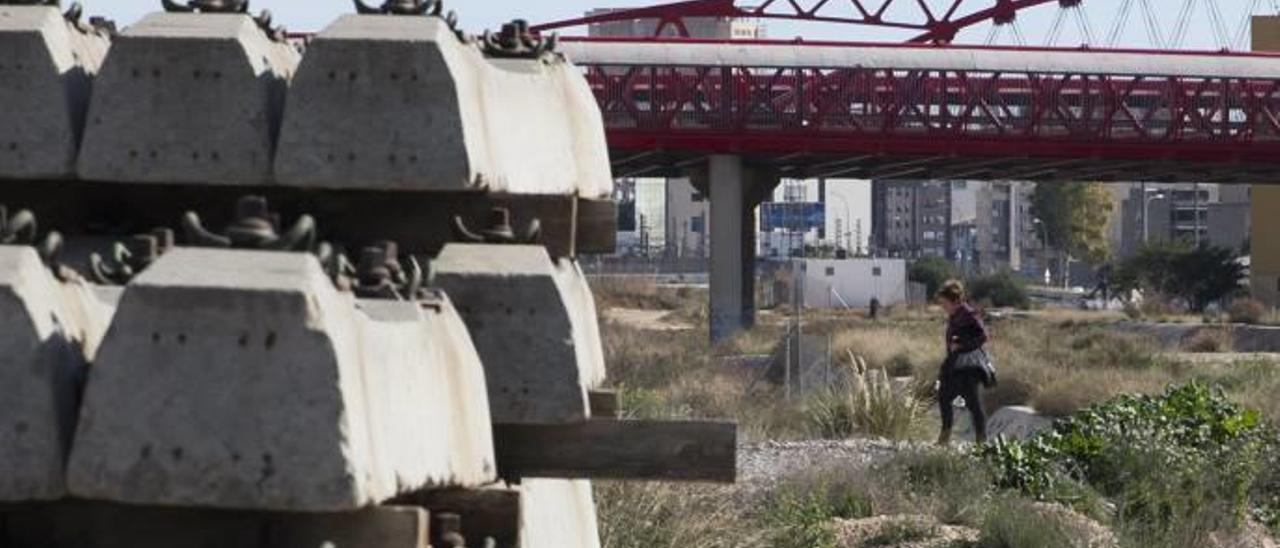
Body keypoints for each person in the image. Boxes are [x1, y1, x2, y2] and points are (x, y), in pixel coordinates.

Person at [935, 280, 990, 446]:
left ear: (955, 301)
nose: (943, 307)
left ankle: (982, 441)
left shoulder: (968, 314)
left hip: (968, 368)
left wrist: (962, 345)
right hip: (955, 365)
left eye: (945, 303)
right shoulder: (955, 315)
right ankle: (944, 438)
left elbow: (983, 336)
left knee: (973, 404)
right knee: (944, 395)